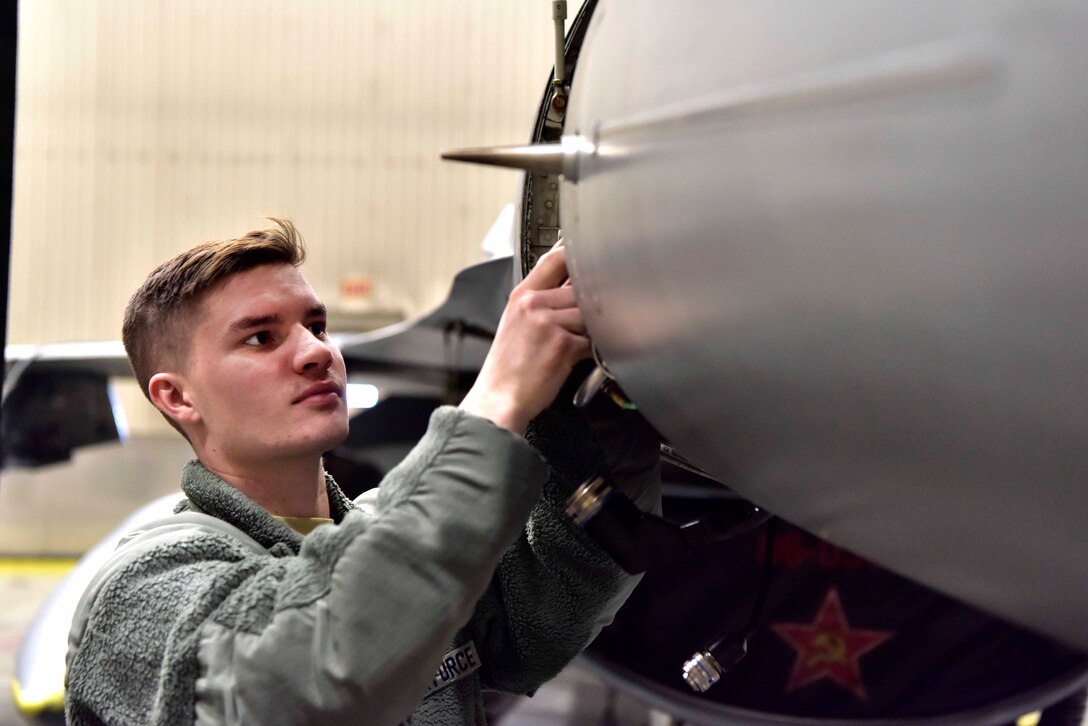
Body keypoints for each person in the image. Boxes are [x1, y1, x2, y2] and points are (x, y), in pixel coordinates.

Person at [64, 218, 661, 725]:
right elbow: (315, 679)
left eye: (317, 327)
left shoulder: (390, 538)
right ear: (177, 398)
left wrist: (603, 411)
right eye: (261, 338)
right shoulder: (143, 589)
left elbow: (544, 619)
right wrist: (496, 399)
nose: (317, 352)